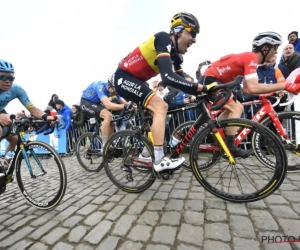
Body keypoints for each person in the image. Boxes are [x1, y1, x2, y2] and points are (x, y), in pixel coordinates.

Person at [112, 12, 217, 172]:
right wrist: (201, 88)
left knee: (157, 115)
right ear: (178, 31)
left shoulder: (176, 56)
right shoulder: (163, 39)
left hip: (138, 81)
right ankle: (159, 160)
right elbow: (167, 77)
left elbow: (181, 81)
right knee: (161, 107)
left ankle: (145, 154)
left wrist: (199, 93)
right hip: (123, 77)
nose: (194, 40)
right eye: (193, 33)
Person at [199, 31, 300, 158]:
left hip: (216, 81)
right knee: (237, 108)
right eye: (275, 48)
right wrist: (285, 85)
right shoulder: (251, 58)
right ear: (265, 48)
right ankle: (230, 147)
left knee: (233, 110)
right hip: (210, 80)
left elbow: (247, 89)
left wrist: (275, 90)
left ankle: (209, 131)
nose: (276, 53)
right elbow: (252, 88)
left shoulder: (250, 61)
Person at [0, 59, 54, 167]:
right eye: (3, 77)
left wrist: (46, 116)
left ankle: (5, 166)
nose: (8, 81)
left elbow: (32, 109)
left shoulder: (16, 89)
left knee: (14, 139)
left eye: (11, 78)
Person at [80, 77, 133, 154]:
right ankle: (104, 146)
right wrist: (124, 107)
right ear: (109, 85)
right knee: (108, 115)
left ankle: (109, 144)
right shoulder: (100, 86)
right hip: (86, 102)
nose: (115, 93)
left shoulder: (114, 89)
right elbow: (108, 105)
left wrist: (131, 106)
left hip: (97, 103)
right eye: (114, 91)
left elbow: (124, 102)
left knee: (112, 123)